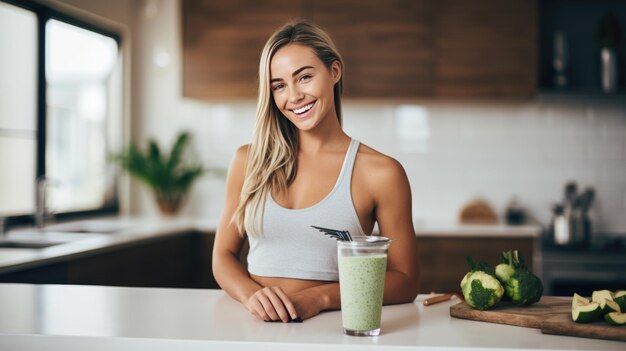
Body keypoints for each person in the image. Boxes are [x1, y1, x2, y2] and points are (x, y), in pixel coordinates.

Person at [212, 20, 419, 323]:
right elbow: (223, 257)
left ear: (334, 72)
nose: (293, 96)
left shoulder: (381, 172)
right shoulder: (249, 161)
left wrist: (320, 297)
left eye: (304, 77)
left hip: (335, 327)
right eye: (279, 85)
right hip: (254, 326)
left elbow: (406, 280)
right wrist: (251, 295)